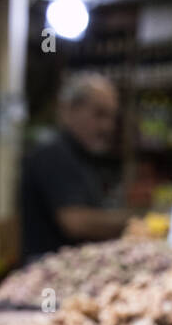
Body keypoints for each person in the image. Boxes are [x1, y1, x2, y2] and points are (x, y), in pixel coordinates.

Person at [20, 73, 129, 260]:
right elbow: (75, 222)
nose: (108, 126)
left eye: (111, 117)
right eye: (99, 114)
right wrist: (135, 219)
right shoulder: (54, 154)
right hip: (47, 274)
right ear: (69, 110)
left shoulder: (81, 154)